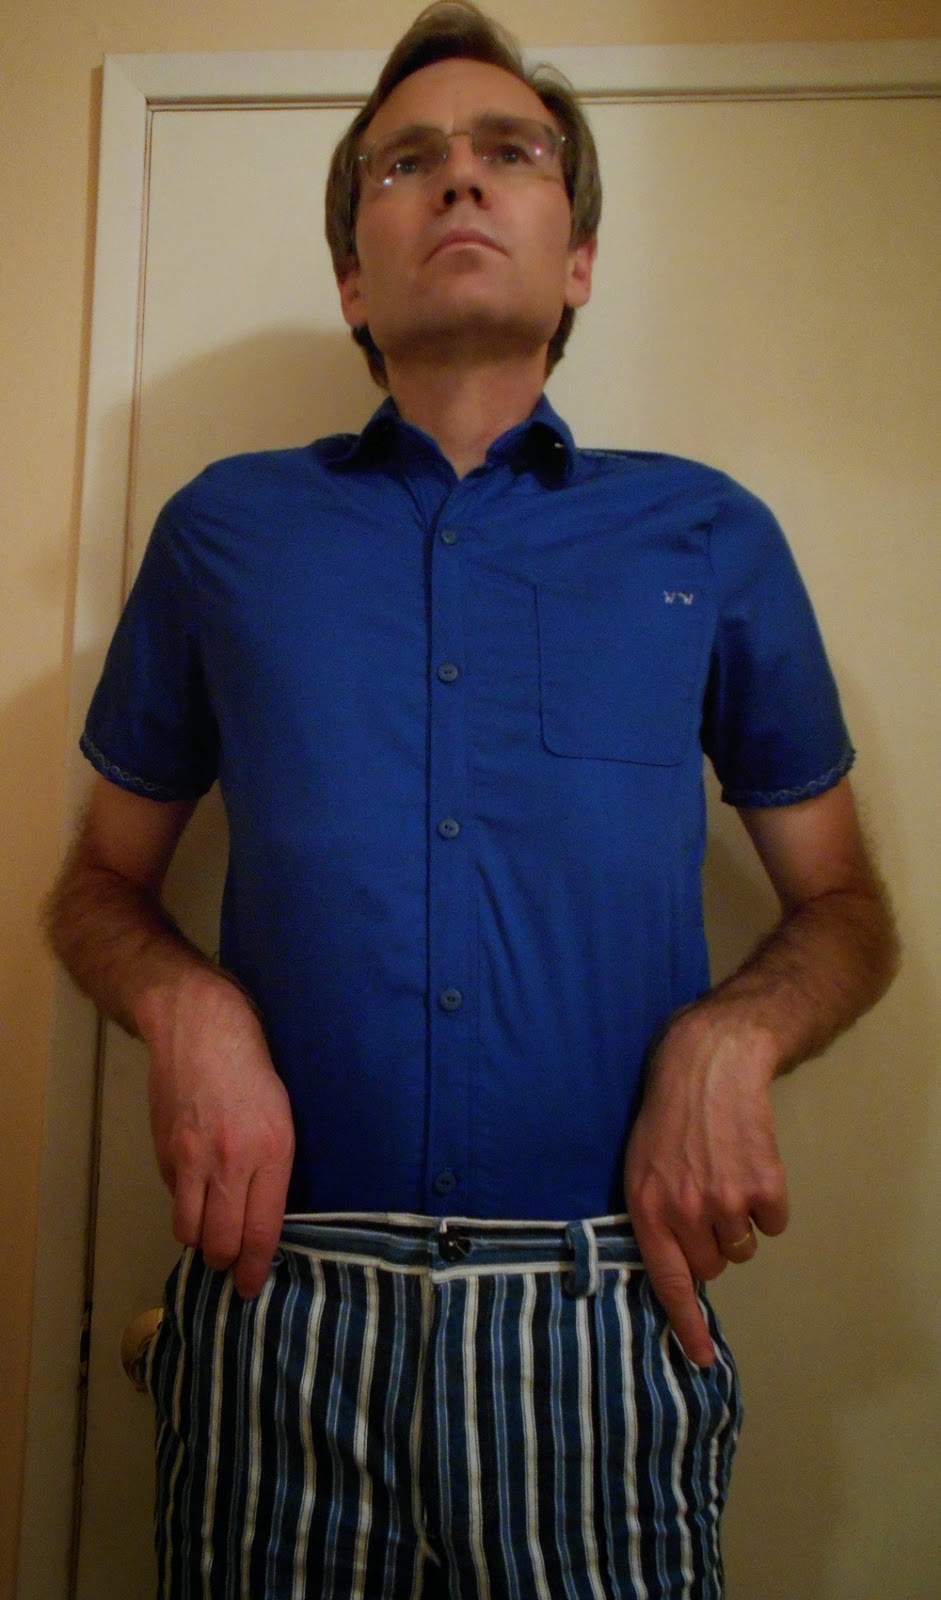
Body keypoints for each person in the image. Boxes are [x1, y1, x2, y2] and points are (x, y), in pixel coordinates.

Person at [48, 4, 898, 1596]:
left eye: (510, 151)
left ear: (577, 260)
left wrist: (733, 1034)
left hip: (597, 1321)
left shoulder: (705, 536)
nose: (458, 179)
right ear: (349, 279)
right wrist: (185, 1007)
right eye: (406, 161)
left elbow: (844, 909)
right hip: (280, 1310)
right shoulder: (224, 531)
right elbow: (96, 887)